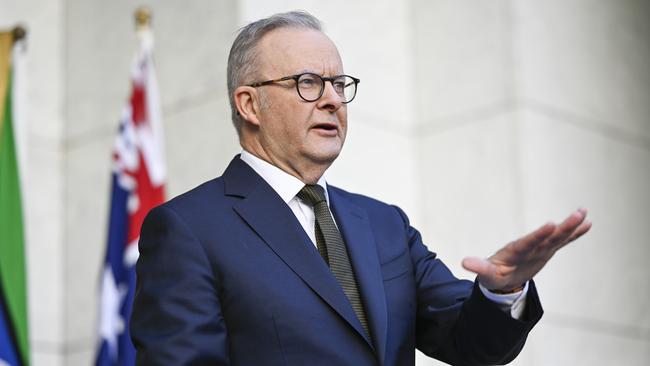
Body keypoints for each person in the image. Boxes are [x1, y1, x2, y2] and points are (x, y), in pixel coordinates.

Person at [130, 11, 591, 366]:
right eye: (308, 83)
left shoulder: (384, 224)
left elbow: (469, 342)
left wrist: (501, 290)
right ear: (250, 103)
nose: (332, 98)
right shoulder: (189, 229)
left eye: (338, 83)